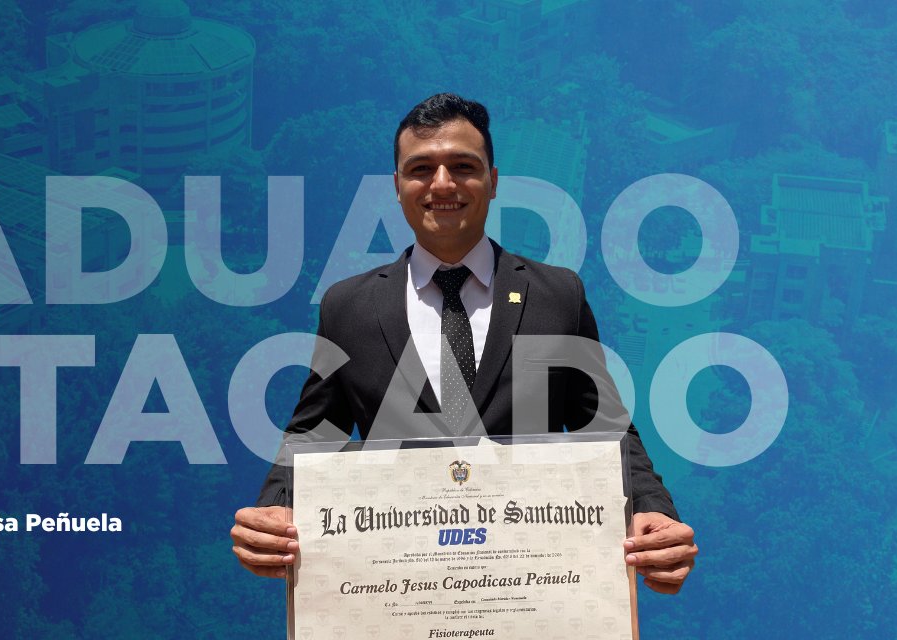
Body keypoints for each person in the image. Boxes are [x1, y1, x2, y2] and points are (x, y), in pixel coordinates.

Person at [229, 93, 698, 594]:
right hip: (401, 591)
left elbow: (606, 430)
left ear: (493, 181)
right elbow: (313, 433)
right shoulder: (349, 307)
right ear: (397, 186)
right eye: (421, 169)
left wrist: (652, 509)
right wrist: (276, 505)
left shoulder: (557, 296)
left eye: (463, 166)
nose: (442, 184)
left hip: (529, 587)